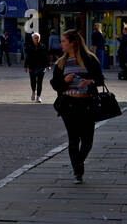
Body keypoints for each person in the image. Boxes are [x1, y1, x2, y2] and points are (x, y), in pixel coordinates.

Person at [51, 29, 105, 183]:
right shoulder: (61, 62)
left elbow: (100, 79)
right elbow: (55, 85)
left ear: (72, 43)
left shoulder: (89, 59)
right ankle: (78, 171)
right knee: (73, 139)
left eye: (63, 41)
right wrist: (65, 81)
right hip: (69, 104)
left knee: (87, 140)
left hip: (87, 103)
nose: (61, 44)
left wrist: (90, 81)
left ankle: (79, 161)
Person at [25, 32, 50, 102]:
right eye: (35, 38)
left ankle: (38, 97)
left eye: (38, 38)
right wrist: (25, 66)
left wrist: (48, 65)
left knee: (39, 82)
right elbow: (27, 57)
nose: (36, 39)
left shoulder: (43, 46)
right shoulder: (29, 46)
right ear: (32, 39)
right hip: (32, 66)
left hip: (41, 66)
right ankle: (33, 91)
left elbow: (46, 56)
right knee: (33, 82)